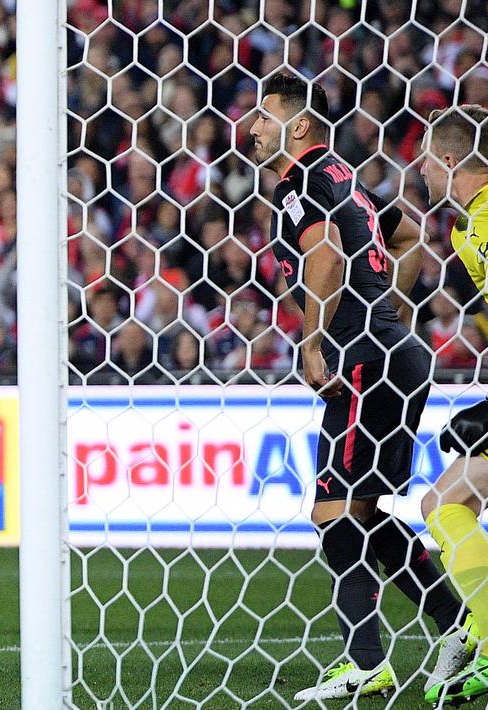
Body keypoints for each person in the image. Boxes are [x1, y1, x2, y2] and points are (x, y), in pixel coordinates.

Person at [249, 72, 472, 701]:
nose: (253, 128)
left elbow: (322, 255)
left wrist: (315, 338)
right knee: (366, 513)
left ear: (297, 125)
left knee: (333, 511)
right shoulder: (347, 179)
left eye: (264, 117)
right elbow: (407, 238)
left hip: (363, 358)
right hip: (394, 351)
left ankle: (367, 662)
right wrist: (390, 307)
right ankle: (459, 624)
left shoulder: (301, 182)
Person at [418, 104, 488, 707]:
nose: (418, 168)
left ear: (447, 159)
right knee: (445, 501)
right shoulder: (469, 225)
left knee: (446, 503)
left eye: (424, 156)